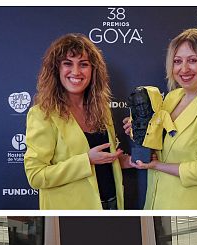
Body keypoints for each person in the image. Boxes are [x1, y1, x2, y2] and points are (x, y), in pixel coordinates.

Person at [124, 28, 197, 209]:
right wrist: (139, 131)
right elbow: (160, 145)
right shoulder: (172, 97)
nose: (184, 69)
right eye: (177, 61)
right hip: (155, 204)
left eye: (192, 60)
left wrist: (157, 165)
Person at [24, 34, 126, 210]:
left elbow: (104, 162)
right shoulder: (42, 114)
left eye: (84, 64)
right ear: (56, 69)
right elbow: (36, 176)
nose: (76, 72)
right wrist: (87, 160)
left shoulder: (101, 109)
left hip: (111, 204)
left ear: (94, 70)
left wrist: (127, 161)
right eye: (68, 63)